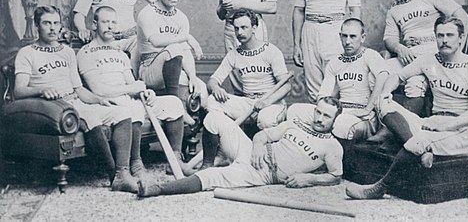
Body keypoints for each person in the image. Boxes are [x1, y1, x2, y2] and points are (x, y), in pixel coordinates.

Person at [346, 16, 468, 200]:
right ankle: (423, 152)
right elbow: (397, 76)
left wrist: (443, 125)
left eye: (450, 35)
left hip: (459, 131)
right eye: (440, 35)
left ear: (461, 38)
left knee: (418, 140)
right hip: (429, 123)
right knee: (384, 103)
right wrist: (387, 92)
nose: (444, 40)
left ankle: (379, 188)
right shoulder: (429, 60)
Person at [14, 5, 139, 193]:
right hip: (50, 106)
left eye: (56, 23)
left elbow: (78, 89)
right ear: (37, 25)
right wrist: (41, 90)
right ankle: (114, 176)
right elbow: (18, 90)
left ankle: (123, 173)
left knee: (121, 112)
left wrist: (98, 99)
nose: (52, 28)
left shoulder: (67, 52)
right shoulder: (27, 53)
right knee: (91, 117)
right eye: (47, 23)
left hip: (75, 102)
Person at [137, 96, 343, 197]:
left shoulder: (332, 147)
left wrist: (309, 178)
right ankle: (207, 163)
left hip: (262, 173)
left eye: (327, 116)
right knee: (215, 118)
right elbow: (263, 135)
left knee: (211, 180)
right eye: (318, 112)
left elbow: (335, 176)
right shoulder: (295, 124)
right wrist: (260, 144)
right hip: (251, 151)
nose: (320, 118)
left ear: (335, 120)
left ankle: (155, 189)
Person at [77, 6, 189, 176]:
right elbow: (98, 90)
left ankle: (175, 159)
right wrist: (132, 89)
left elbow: (132, 82)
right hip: (111, 102)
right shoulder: (86, 52)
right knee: (133, 108)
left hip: (129, 97)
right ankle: (136, 163)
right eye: (105, 22)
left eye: (113, 22)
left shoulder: (120, 53)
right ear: (94, 24)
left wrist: (144, 91)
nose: (110, 26)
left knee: (173, 103)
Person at [383, 0, 468, 114]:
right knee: (377, 73)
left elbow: (461, 15)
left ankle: (401, 130)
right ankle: (381, 124)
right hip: (408, 54)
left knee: (414, 83)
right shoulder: (394, 9)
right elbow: (389, 38)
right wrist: (399, 47)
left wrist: (459, 51)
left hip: (434, 52)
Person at [287, 18, 389, 141]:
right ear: (340, 36)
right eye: (344, 36)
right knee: (294, 111)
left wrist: (368, 108)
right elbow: (323, 95)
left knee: (340, 125)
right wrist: (326, 111)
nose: (347, 41)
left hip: (363, 116)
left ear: (362, 37)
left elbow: (383, 77)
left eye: (353, 37)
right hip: (338, 110)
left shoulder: (370, 55)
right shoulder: (335, 62)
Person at [206, 9, 291, 131]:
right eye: (236, 28)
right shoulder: (234, 54)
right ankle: (228, 139)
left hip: (272, 103)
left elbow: (286, 86)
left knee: (266, 120)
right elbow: (212, 80)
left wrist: (267, 102)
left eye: (244, 27)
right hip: (248, 102)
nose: (239, 32)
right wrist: (216, 88)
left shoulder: (271, 51)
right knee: (212, 101)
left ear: (255, 28)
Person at [137, 0, 207, 105]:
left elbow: (185, 51)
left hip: (173, 68)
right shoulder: (147, 13)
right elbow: (156, 41)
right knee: (174, 48)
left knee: (201, 89)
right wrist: (186, 37)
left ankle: (194, 123)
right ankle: (174, 106)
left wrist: (192, 77)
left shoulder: (181, 17)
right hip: (149, 69)